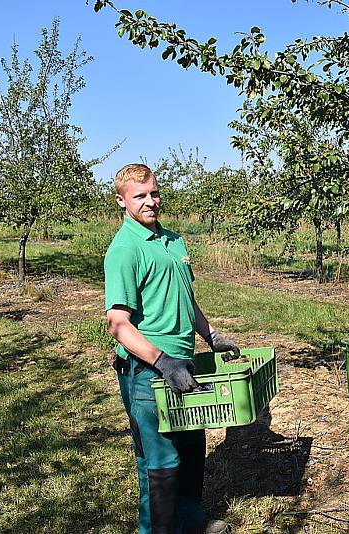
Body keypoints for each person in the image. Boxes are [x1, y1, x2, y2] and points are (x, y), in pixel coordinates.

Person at [104, 163, 240, 534]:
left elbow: (185, 298)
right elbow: (118, 324)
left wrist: (210, 335)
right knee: (160, 465)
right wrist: (162, 362)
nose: (150, 201)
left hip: (184, 365)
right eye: (139, 196)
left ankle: (189, 524)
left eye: (153, 193)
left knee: (192, 454)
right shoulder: (125, 249)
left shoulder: (174, 240)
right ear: (121, 201)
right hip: (148, 374)